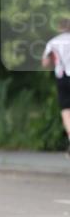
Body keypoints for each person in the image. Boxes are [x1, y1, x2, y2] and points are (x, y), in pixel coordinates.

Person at [42, 18, 70, 157]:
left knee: (66, 111)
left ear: (59, 28)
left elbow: (45, 63)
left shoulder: (53, 43)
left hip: (62, 77)